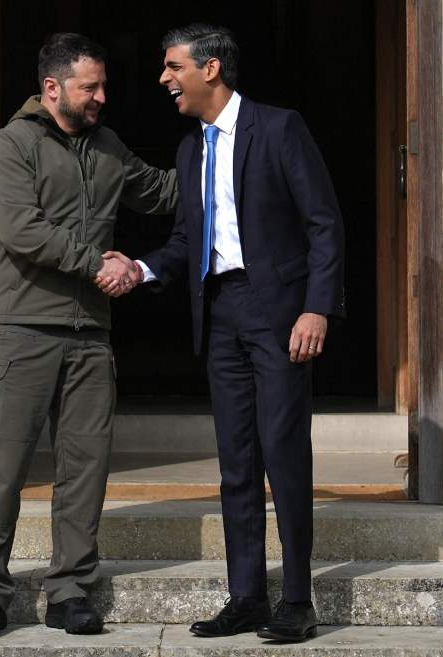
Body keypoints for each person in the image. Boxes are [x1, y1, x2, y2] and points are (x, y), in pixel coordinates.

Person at [99, 23, 345, 642]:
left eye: (172, 66)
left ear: (210, 69)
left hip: (281, 314)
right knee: (236, 462)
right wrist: (143, 267)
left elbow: (324, 225)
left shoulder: (280, 128)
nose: (163, 78)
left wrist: (317, 309)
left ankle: (297, 600)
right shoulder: (190, 148)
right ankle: (247, 597)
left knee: (284, 454)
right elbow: (189, 240)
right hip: (221, 313)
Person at [0, 32, 178, 639]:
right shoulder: (11, 146)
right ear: (52, 88)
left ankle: (70, 590)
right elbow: (20, 228)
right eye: (91, 87)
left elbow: (160, 193)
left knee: (85, 469)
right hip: (19, 330)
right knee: (3, 470)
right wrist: (99, 264)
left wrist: (222, 152)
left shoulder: (107, 146)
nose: (101, 97)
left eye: (102, 86)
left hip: (89, 335)